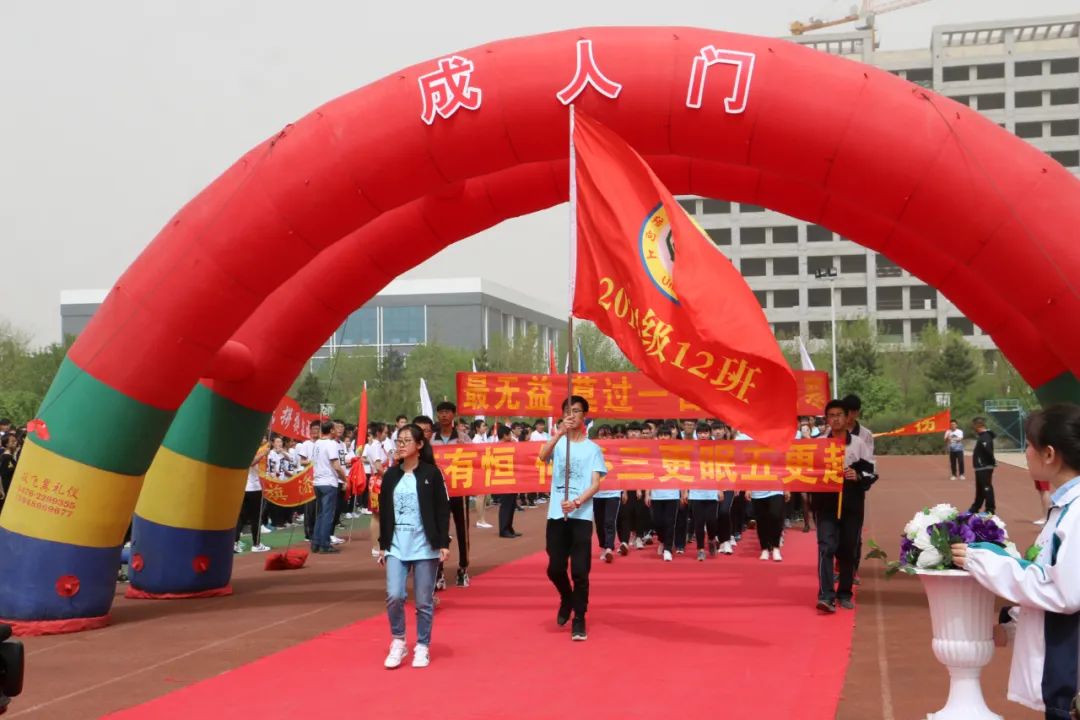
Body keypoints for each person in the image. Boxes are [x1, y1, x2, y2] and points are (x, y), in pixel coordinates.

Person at [952, 404, 1080, 718]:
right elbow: (1051, 575)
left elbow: (1065, 593)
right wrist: (1014, 623)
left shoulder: (1076, 513)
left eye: (1030, 447)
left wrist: (982, 559)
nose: (1026, 453)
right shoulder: (1065, 508)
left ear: (1049, 454)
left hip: (1071, 672)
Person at [378, 423, 451, 669]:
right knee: (395, 595)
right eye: (399, 440)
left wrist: (443, 542)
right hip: (396, 545)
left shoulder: (431, 474)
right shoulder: (391, 475)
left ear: (419, 446)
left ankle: (422, 645)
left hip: (424, 546)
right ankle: (398, 640)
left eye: (407, 441)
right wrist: (382, 545)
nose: (401, 445)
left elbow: (442, 510)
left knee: (423, 601)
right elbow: (385, 512)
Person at [538, 395, 606, 641]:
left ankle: (579, 617)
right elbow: (542, 456)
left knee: (580, 570)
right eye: (567, 411)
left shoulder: (593, 449)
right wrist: (558, 433)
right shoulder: (558, 443)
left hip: (581, 516)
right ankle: (566, 597)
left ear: (584, 416)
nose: (572, 415)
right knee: (555, 568)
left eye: (576, 411)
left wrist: (577, 501)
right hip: (556, 514)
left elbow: (596, 484)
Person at [813, 399, 876, 613]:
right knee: (826, 548)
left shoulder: (858, 443)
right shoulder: (818, 444)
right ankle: (826, 595)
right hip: (825, 504)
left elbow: (871, 472)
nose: (836, 419)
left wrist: (857, 475)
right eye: (832, 415)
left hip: (851, 504)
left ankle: (845, 593)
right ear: (827, 419)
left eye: (840, 414)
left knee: (847, 550)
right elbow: (806, 471)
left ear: (847, 417)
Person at [430, 402, 472, 588]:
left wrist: (466, 450)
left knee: (463, 531)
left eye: (447, 412)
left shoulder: (463, 438)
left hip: (460, 491)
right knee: (441, 532)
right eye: (441, 412)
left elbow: (476, 461)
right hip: (440, 492)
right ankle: (438, 571)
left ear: (454, 414)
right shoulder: (431, 439)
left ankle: (463, 568)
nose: (444, 415)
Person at [311, 420, 347, 554]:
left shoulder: (317, 443)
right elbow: (336, 465)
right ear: (331, 430)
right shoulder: (331, 444)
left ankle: (316, 542)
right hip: (328, 482)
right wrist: (345, 479)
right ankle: (325, 544)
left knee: (321, 513)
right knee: (327, 515)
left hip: (318, 482)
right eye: (335, 428)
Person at [236, 442, 271, 553]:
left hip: (246, 487)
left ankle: (235, 542)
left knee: (242, 517)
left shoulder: (240, 452)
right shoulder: (250, 452)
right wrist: (263, 454)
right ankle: (256, 544)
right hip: (253, 488)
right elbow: (251, 462)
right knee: (255, 518)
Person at [970, 416, 997, 515]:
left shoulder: (985, 437)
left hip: (984, 466)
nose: (973, 428)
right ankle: (975, 507)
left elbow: (988, 451)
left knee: (986, 488)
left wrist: (992, 462)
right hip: (980, 467)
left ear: (979, 425)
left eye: (974, 426)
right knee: (980, 488)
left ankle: (990, 509)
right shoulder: (982, 436)